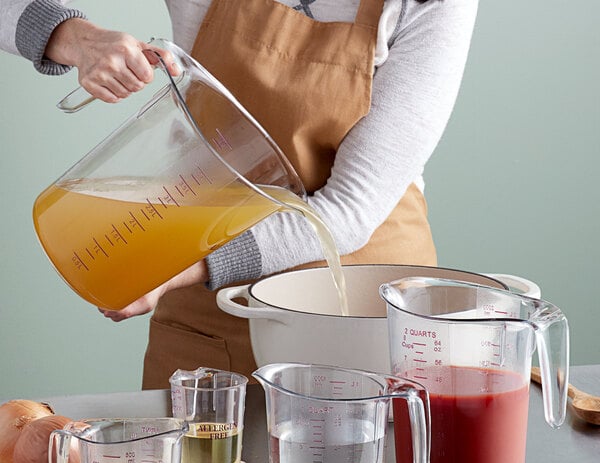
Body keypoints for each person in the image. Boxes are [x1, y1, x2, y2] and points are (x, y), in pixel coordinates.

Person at [2, 0, 479, 388]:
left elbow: (350, 210)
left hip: (358, 310)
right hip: (207, 308)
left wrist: (177, 270)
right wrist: (78, 39)